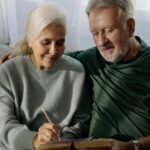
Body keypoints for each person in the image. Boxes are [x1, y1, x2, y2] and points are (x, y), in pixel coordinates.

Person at [1, 0, 150, 150]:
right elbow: (53, 57)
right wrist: (20, 52)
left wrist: (134, 146)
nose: (101, 42)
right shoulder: (91, 58)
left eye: (109, 30)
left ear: (130, 27)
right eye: (95, 33)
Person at [0, 3, 92, 150]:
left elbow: (82, 122)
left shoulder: (77, 71)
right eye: (46, 42)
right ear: (30, 40)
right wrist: (36, 140)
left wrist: (61, 143)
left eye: (60, 43)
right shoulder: (8, 72)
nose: (54, 51)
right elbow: (4, 125)